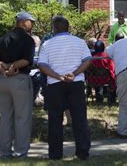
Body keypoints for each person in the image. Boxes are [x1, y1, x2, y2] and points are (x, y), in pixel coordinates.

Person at [38, 16, 92, 160]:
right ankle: (82, 152)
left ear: (54, 28)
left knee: (55, 119)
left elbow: (42, 65)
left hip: (55, 85)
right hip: (76, 83)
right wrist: (74, 73)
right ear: (68, 28)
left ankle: (55, 154)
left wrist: (57, 76)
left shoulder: (47, 44)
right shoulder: (80, 42)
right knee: (79, 119)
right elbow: (88, 60)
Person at [0, 11, 36, 158]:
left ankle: (4, 152)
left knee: (5, 117)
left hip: (3, 81)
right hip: (20, 78)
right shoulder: (28, 40)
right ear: (23, 22)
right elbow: (27, 60)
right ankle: (21, 152)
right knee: (22, 117)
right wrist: (11, 67)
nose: (32, 24)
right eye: (31, 21)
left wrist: (2, 68)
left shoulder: (3, 38)